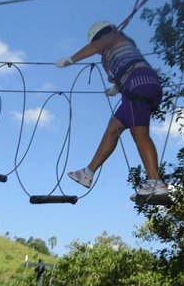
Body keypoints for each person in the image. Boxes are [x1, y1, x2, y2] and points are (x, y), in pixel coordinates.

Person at [55, 21, 169, 202]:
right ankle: (88, 172)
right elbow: (117, 62)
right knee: (113, 128)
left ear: (101, 35)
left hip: (138, 82)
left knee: (139, 133)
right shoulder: (110, 51)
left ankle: (155, 182)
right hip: (139, 84)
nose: (99, 50)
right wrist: (116, 86)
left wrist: (72, 59)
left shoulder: (114, 37)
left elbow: (98, 46)